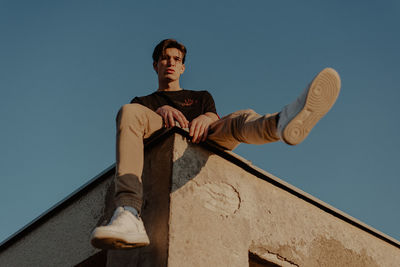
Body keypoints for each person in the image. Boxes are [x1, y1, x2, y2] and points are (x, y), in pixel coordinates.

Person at [90, 39, 341, 250]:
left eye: (176, 59)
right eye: (165, 58)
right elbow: (135, 124)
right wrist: (160, 108)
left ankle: (279, 123)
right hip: (160, 131)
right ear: (155, 65)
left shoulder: (201, 97)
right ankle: (128, 213)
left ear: (183, 68)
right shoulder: (143, 101)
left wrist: (206, 117)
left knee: (239, 118)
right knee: (128, 111)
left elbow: (214, 118)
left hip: (206, 136)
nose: (170, 63)